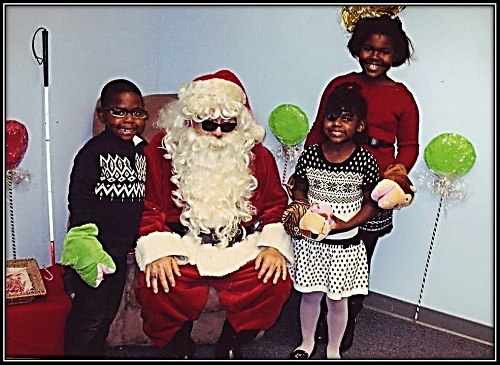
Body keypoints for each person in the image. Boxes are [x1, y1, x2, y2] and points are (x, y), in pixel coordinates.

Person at [133, 69, 294, 360]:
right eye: (208, 124)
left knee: (275, 280)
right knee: (158, 284)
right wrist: (159, 251)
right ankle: (179, 339)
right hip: (182, 245)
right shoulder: (161, 149)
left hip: (238, 246)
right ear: (190, 120)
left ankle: (232, 338)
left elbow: (275, 205)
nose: (218, 133)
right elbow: (147, 206)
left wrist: (272, 246)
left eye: (228, 125)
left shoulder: (257, 154)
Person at [287, 14, 420, 352]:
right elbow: (318, 130)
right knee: (317, 250)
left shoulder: (402, 97)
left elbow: (408, 146)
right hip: (330, 183)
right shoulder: (339, 85)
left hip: (373, 190)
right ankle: (310, 320)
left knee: (357, 259)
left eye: (384, 51)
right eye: (368, 49)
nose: (375, 57)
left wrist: (398, 174)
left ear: (396, 55)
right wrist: (306, 173)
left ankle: (347, 317)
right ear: (357, 50)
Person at [284, 82, 380, 359]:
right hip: (313, 244)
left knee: (338, 299)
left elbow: (370, 203)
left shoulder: (365, 160)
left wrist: (345, 225)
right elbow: (300, 186)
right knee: (310, 295)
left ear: (359, 126)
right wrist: (301, 208)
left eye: (346, 119)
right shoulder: (311, 154)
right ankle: (306, 343)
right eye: (331, 117)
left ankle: (334, 349)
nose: (337, 124)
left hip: (345, 246)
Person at [62, 78, 148, 358]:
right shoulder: (92, 153)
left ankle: (94, 353)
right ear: (103, 114)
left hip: (121, 251)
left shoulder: (143, 151)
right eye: (118, 111)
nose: (128, 120)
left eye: (136, 112)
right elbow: (79, 197)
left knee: (106, 313)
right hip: (96, 251)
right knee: (90, 314)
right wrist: (85, 239)